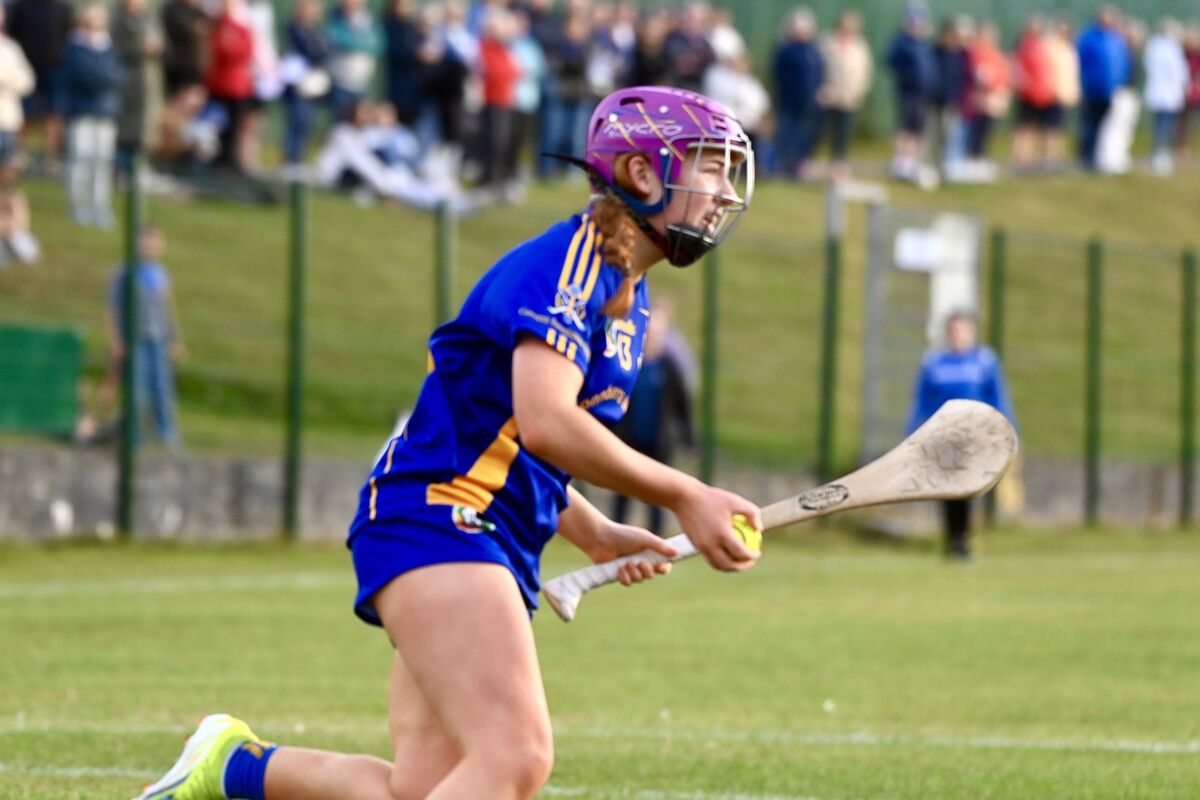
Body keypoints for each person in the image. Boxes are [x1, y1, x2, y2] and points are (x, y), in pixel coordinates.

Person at [131, 84, 762, 800]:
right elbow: (549, 419)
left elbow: (517, 437)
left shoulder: (625, 290)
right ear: (644, 174)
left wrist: (593, 531)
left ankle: (229, 765)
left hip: (477, 527)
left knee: (422, 787)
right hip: (443, 517)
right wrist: (684, 493)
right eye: (706, 167)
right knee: (514, 756)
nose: (721, 191)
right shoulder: (572, 264)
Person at [906, 311, 1015, 560]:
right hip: (942, 438)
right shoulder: (933, 364)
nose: (957, 335)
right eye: (953, 330)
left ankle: (962, 538)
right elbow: (921, 402)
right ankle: (954, 539)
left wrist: (1008, 430)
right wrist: (913, 433)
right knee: (947, 490)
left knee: (967, 489)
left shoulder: (984, 362)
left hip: (974, 438)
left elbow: (998, 398)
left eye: (961, 330)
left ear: (971, 332)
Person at [611, 299, 695, 535]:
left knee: (657, 495)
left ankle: (656, 538)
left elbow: (683, 406)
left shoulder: (669, 367)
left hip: (659, 442)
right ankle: (616, 532)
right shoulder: (629, 363)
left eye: (657, 332)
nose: (652, 336)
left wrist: (690, 441)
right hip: (629, 440)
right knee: (623, 489)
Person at [106, 225, 186, 449]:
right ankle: (134, 437)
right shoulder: (123, 272)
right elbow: (113, 308)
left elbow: (167, 308)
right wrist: (115, 340)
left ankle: (166, 434)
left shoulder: (161, 273)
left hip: (157, 339)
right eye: (146, 241)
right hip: (134, 339)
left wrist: (175, 337)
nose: (150, 246)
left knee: (162, 388)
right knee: (136, 390)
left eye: (155, 242)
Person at [62, 3, 123, 228]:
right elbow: (81, 74)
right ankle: (78, 204)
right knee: (81, 158)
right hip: (81, 111)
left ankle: (100, 205)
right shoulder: (74, 47)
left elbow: (116, 75)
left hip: (105, 112)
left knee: (102, 161)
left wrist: (101, 77)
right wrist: (100, 78)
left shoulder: (108, 48)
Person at [0, 1, 38, 266]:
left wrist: (6, 82)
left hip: (8, 123)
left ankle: (15, 236)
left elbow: (27, 80)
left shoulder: (10, 49)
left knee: (9, 182)